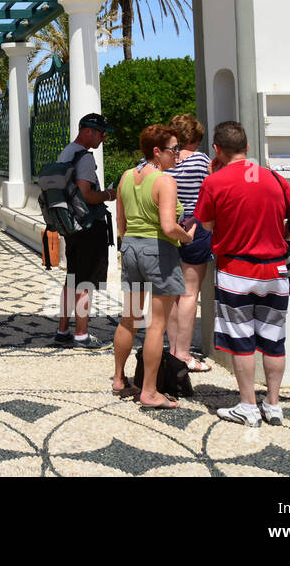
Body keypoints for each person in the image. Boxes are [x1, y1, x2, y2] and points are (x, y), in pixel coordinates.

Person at [194, 121, 290, 427]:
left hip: (235, 270)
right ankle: (273, 404)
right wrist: (279, 237)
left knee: (241, 339)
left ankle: (247, 405)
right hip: (275, 270)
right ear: (247, 147)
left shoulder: (214, 182)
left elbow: (205, 225)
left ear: (216, 150)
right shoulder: (274, 178)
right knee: (274, 339)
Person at [111, 125, 197, 407]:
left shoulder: (125, 177)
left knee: (130, 318)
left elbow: (120, 225)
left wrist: (131, 246)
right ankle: (149, 391)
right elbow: (168, 226)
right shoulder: (164, 181)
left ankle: (118, 378)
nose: (178, 154)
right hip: (159, 251)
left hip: (132, 247)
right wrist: (187, 236)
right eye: (173, 149)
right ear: (157, 152)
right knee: (156, 324)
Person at [53, 113, 117, 350]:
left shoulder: (66, 152)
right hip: (89, 226)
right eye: (101, 133)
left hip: (71, 226)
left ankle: (62, 330)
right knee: (85, 282)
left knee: (72, 277)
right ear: (87, 131)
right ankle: (81, 334)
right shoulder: (85, 158)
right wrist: (110, 195)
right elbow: (86, 194)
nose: (103, 138)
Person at [163, 114, 214, 372]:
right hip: (196, 228)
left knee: (172, 295)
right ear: (192, 139)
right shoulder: (201, 161)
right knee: (190, 293)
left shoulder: (163, 161)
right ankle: (183, 353)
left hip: (168, 229)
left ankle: (173, 349)